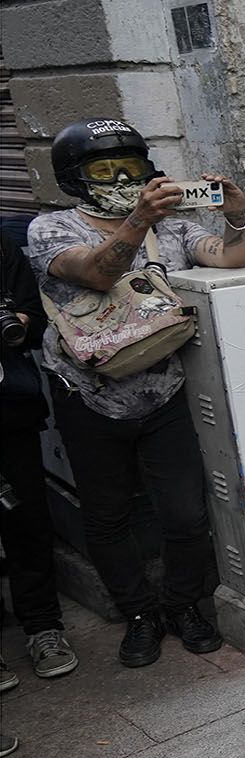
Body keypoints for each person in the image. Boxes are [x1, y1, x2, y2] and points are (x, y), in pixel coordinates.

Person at [27, 118, 245, 667]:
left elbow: (231, 257)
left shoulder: (170, 227)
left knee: (184, 514)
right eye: (105, 170)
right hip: (89, 395)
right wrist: (136, 219)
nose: (123, 178)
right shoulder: (51, 229)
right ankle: (138, 614)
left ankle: (181, 605)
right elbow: (99, 273)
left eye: (131, 167)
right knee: (106, 517)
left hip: (165, 391)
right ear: (75, 178)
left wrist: (236, 214)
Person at [2, 227, 74, 679]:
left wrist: (22, 323)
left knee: (26, 518)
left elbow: (34, 319)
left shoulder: (2, 245)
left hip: (8, 409)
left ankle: (43, 627)